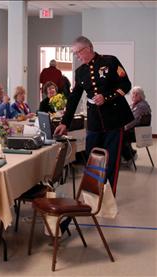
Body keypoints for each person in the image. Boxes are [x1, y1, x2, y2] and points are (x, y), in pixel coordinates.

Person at [54, 35, 133, 197]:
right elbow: (74, 98)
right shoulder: (80, 72)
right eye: (75, 54)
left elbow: (126, 85)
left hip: (114, 119)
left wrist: (107, 97)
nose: (77, 57)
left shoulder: (110, 62)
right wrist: (65, 123)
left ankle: (108, 196)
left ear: (88, 48)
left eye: (78, 53)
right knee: (92, 159)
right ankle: (93, 194)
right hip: (95, 122)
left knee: (110, 161)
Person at [121, 86, 152, 165]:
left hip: (138, 132)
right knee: (118, 134)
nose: (134, 96)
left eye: (136, 94)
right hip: (135, 130)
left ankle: (129, 157)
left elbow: (132, 121)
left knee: (118, 135)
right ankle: (129, 153)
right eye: (133, 94)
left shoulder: (141, 106)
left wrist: (123, 127)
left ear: (141, 96)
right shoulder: (135, 104)